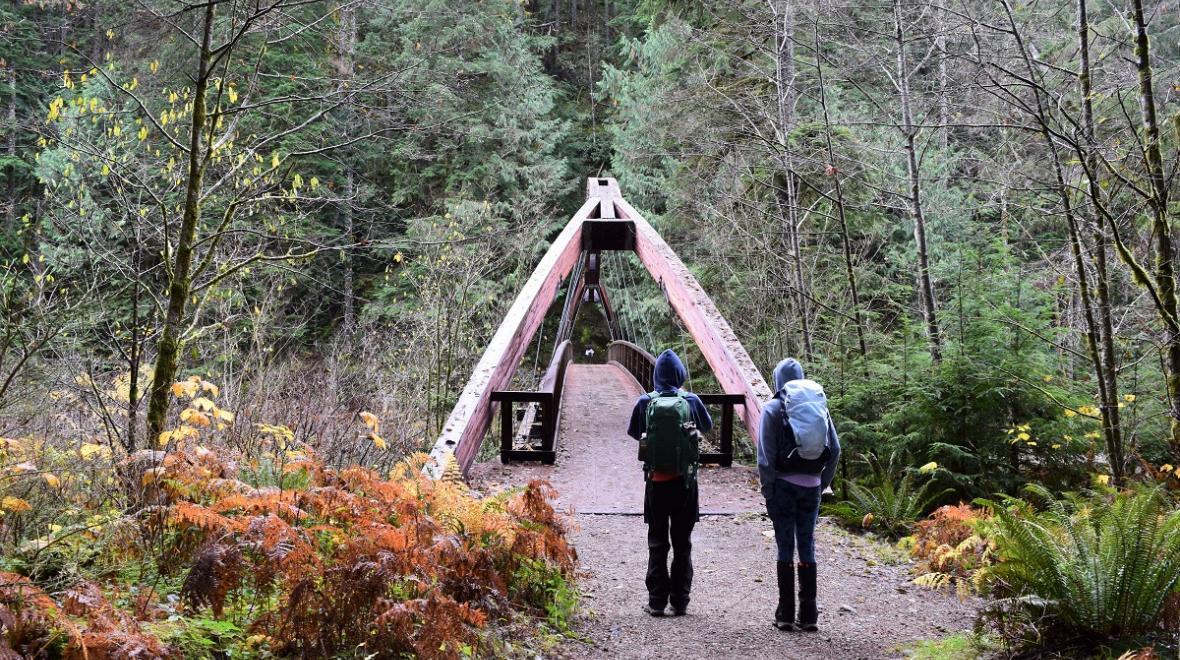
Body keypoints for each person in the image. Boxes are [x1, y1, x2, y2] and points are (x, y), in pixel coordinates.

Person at [627, 349, 713, 617]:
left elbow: (634, 433)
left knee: (657, 541)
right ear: (679, 375)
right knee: (682, 542)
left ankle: (656, 602)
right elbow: (707, 427)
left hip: (656, 481)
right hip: (685, 482)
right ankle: (680, 600)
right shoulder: (691, 400)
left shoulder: (645, 401)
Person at [757, 357, 840, 632]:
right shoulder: (819, 409)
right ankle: (808, 614)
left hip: (782, 487)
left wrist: (768, 491)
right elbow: (836, 450)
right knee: (807, 545)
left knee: (784, 546)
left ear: (778, 380)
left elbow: (765, 459)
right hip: (811, 486)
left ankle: (785, 613)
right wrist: (821, 482)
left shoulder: (771, 409)